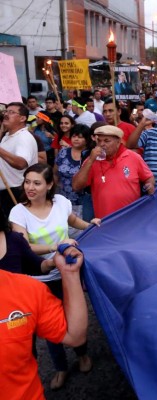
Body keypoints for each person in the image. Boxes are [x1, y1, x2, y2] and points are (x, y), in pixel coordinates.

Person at [9, 163, 97, 389]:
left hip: (67, 274)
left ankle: (83, 355)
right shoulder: (18, 211)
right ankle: (60, 367)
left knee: (75, 317)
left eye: (37, 183)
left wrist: (91, 225)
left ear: (49, 185)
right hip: (39, 281)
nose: (30, 187)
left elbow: (73, 222)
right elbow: (24, 246)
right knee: (49, 328)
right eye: (27, 181)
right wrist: (57, 246)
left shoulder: (61, 203)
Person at [0, 242, 88, 399]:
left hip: (50, 282)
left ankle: (77, 360)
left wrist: (70, 273)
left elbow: (73, 335)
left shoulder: (26, 289)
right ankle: (61, 368)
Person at [72, 125, 155, 218]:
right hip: (104, 221)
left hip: (131, 219)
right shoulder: (92, 160)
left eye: (107, 141)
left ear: (118, 142)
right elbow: (76, 186)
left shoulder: (133, 157)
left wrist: (150, 185)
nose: (101, 144)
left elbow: (148, 177)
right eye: (99, 141)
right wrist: (91, 160)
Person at [0, 102, 39, 217]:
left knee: (15, 231)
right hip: (6, 191)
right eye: (6, 111)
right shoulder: (9, 135)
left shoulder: (23, 137)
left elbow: (21, 163)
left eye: (11, 112)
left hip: (15, 192)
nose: (6, 114)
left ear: (22, 118)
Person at [54, 124, 93, 231]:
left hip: (83, 202)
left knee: (82, 230)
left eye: (80, 137)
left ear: (87, 139)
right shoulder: (63, 152)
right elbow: (55, 172)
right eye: (74, 136)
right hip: (63, 198)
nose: (76, 139)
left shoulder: (90, 155)